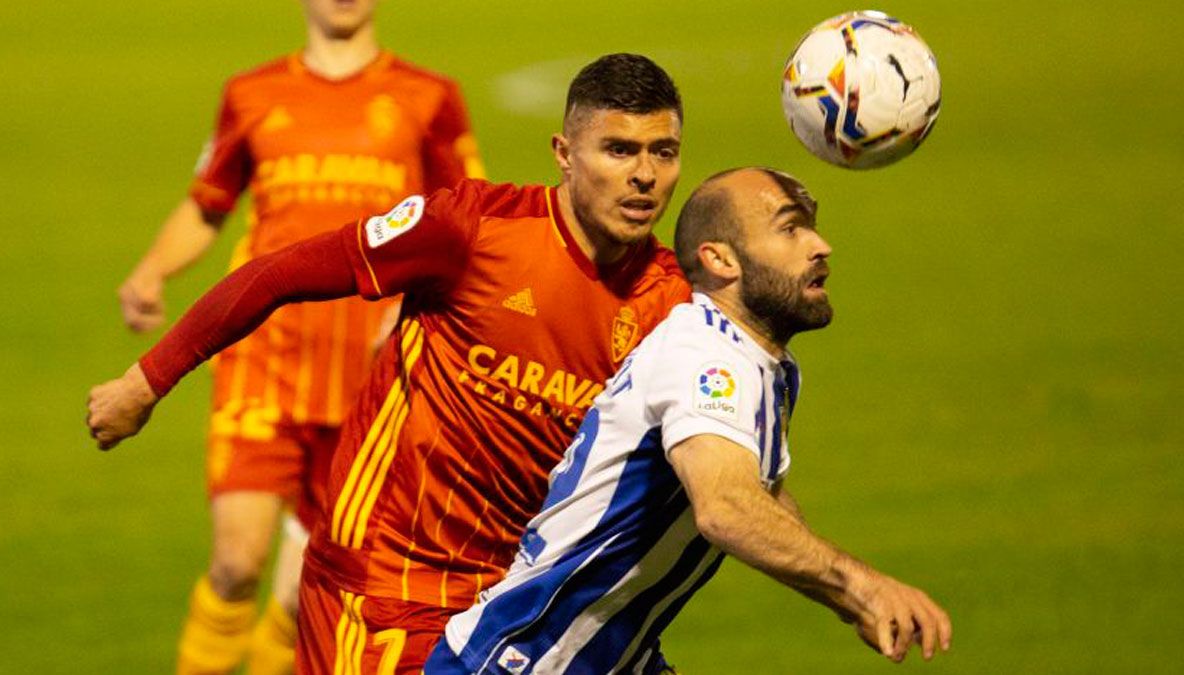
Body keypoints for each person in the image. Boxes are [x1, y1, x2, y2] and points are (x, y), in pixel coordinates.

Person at [88, 53, 693, 674]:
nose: (644, 175)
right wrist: (146, 381)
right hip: (383, 593)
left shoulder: (671, 305)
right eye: (619, 151)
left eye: (663, 152)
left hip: (513, 603)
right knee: (237, 564)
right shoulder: (472, 231)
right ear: (564, 153)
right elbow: (279, 273)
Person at [425, 167, 954, 674]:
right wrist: (864, 586)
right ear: (721, 259)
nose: (820, 246)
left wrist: (850, 601)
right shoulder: (708, 359)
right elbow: (727, 508)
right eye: (790, 228)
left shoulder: (764, 364)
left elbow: (758, 496)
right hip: (527, 660)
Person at [115, 1, 483, 672]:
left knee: (300, 599)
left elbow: (468, 220)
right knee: (233, 562)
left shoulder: (428, 96)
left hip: (371, 376)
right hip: (265, 359)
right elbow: (209, 203)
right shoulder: (252, 93)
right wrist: (151, 270)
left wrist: (413, 299)